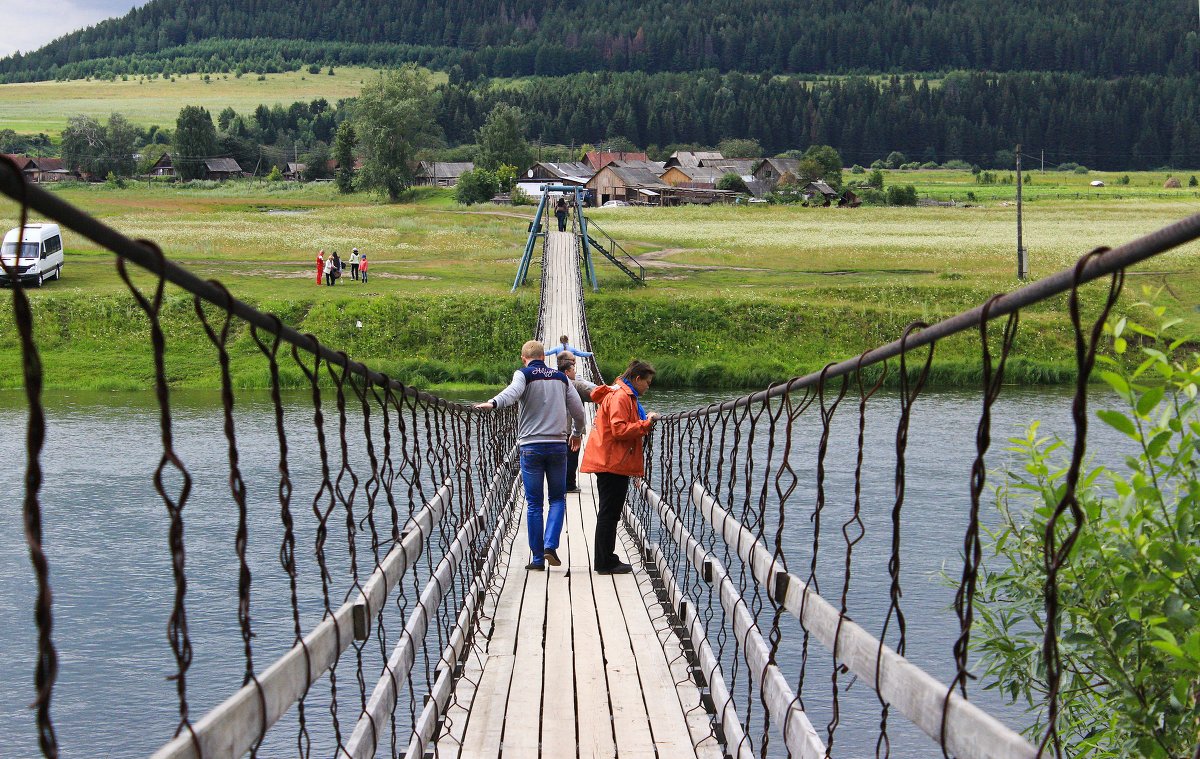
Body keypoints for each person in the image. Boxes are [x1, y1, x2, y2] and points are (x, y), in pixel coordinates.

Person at [475, 340, 586, 571]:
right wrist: (576, 433)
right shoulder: (562, 378)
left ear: (523, 357)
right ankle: (550, 545)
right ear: (544, 357)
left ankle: (537, 560)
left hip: (531, 447)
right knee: (557, 499)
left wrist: (493, 403)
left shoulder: (524, 374)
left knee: (534, 503)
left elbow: (512, 393)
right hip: (557, 447)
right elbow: (579, 412)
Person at [580, 359, 660, 575]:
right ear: (637, 379)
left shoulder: (621, 393)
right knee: (609, 513)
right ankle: (605, 561)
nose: (648, 386)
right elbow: (619, 430)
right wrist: (647, 424)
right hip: (612, 462)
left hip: (611, 460)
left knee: (610, 512)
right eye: (647, 382)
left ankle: (606, 558)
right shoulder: (622, 396)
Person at [557, 353, 597, 494]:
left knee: (560, 458)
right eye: (573, 369)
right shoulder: (574, 384)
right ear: (567, 372)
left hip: (554, 428)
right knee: (572, 456)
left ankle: (558, 483)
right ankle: (570, 485)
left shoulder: (552, 382)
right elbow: (595, 393)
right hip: (571, 428)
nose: (575, 372)